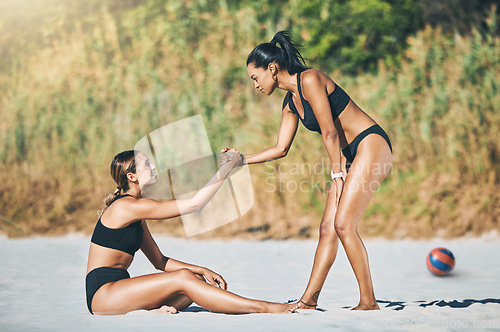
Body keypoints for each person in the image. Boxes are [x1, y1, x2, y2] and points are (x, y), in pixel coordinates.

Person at [226, 31, 393, 310]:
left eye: (255, 78)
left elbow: (329, 132)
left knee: (343, 225)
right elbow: (280, 148)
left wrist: (337, 174)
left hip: (370, 144)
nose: (254, 85)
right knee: (327, 227)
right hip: (346, 157)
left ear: (272, 68)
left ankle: (368, 302)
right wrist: (241, 160)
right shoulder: (290, 103)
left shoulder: (311, 79)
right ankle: (308, 301)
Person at [86, 149, 298, 315]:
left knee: (194, 279)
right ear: (132, 176)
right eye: (146, 164)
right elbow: (196, 204)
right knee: (184, 279)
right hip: (104, 294)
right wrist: (227, 167)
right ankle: (263, 307)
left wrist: (202, 269)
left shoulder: (136, 211)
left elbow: (160, 261)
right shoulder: (128, 207)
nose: (152, 167)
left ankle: (155, 311)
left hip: (117, 290)